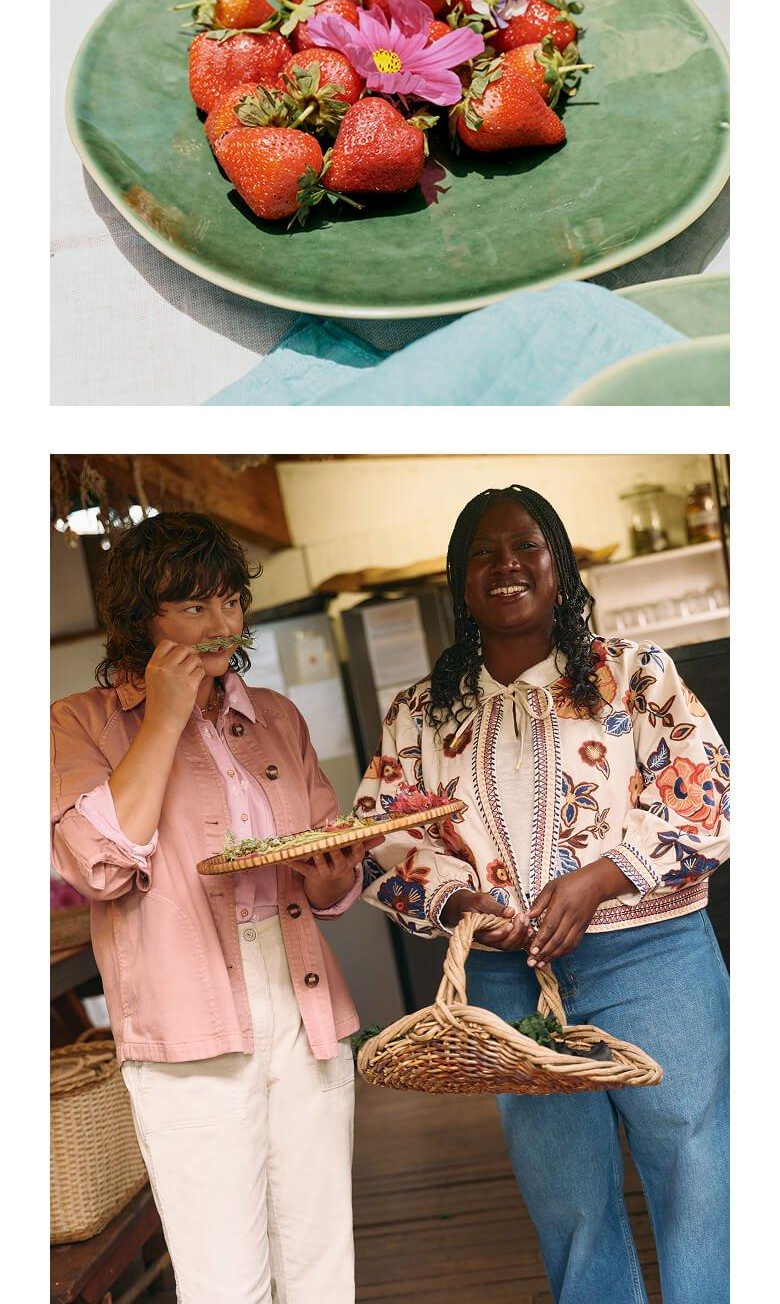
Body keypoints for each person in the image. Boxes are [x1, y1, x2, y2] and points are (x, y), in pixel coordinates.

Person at [354, 484, 729, 1304]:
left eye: (527, 545)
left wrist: (600, 881)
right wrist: (457, 905)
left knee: (696, 1162)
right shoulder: (419, 715)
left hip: (651, 959)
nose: (506, 565)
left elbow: (712, 795)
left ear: (559, 566)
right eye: (483, 553)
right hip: (505, 980)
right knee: (566, 1196)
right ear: (458, 582)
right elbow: (380, 839)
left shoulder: (635, 675)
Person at [51, 511, 379, 1304]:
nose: (221, 625)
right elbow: (98, 865)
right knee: (225, 1279)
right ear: (140, 617)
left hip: (301, 1004)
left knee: (320, 1262)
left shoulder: (275, 716)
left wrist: (336, 873)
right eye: (193, 607)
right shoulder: (77, 725)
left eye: (230, 601)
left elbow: (325, 879)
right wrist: (164, 715)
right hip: (184, 1021)